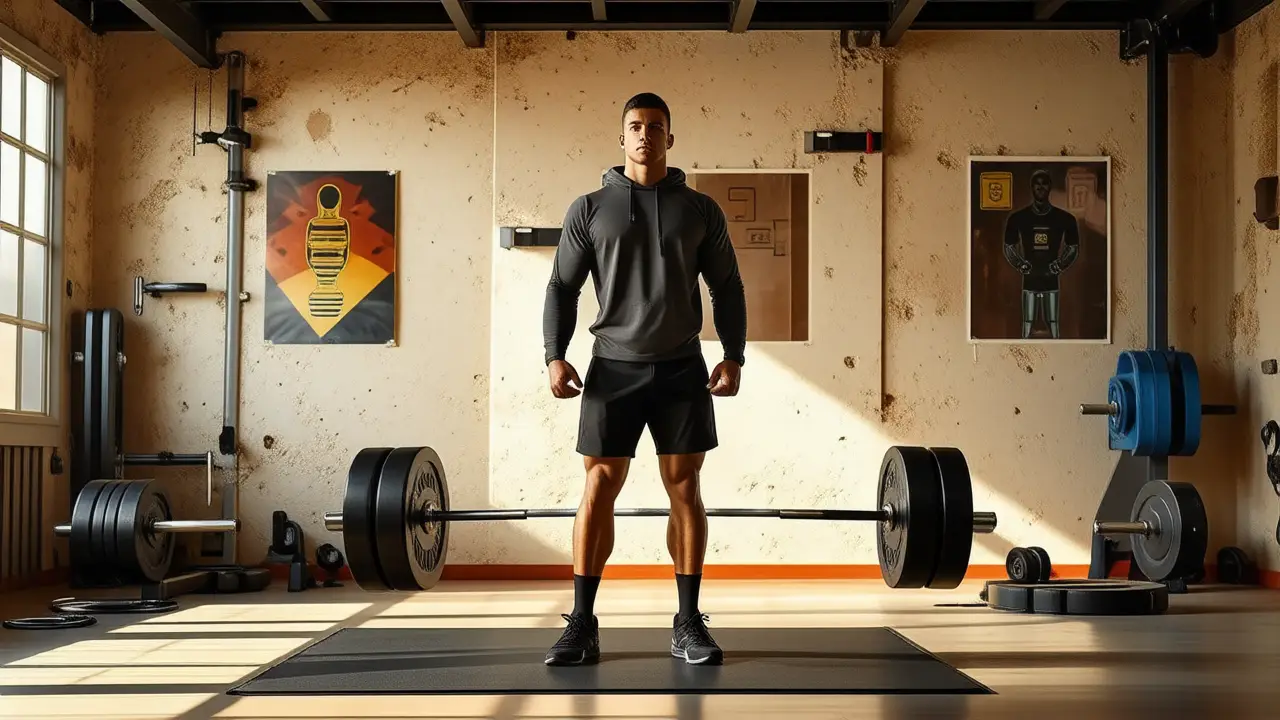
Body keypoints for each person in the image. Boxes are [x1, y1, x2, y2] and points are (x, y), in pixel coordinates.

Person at [540, 92, 748, 666]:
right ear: (622, 136)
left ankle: (688, 623)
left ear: (670, 138)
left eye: (656, 127)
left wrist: (734, 354)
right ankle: (581, 623)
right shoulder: (589, 209)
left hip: (683, 368)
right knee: (600, 485)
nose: (645, 135)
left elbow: (727, 287)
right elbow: (561, 287)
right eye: (635, 126)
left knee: (685, 487)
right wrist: (554, 355)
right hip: (613, 367)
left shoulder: (699, 209)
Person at [1001, 169, 1080, 339]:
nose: (1041, 187)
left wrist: (1060, 264)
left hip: (1051, 278)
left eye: (1044, 183)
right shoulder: (1018, 218)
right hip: (1029, 279)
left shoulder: (1065, 218)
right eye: (1037, 183)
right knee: (1027, 323)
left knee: (1053, 323)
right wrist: (1020, 264)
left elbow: (1073, 247)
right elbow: (1008, 246)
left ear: (1050, 187)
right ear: (1031, 187)